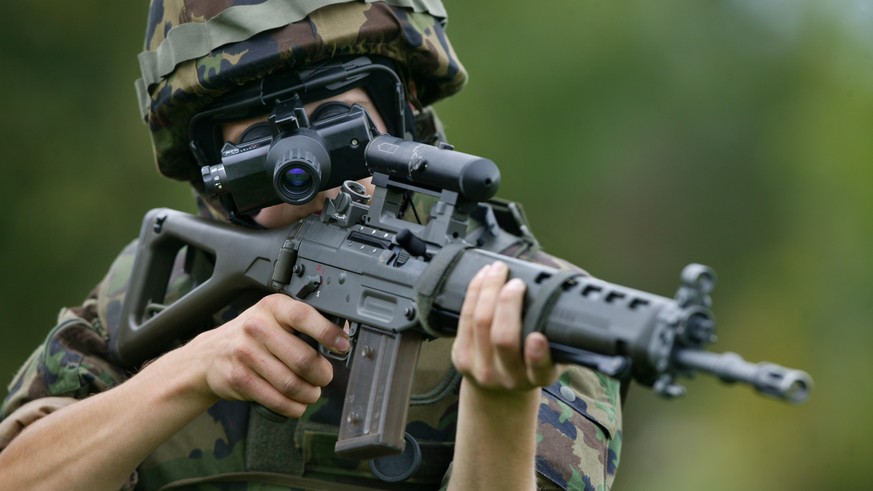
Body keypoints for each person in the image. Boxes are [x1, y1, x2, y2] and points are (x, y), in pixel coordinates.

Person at [0, 1, 623, 490]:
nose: (312, 172)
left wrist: (502, 400)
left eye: (340, 127)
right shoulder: (157, 291)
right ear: (212, 169)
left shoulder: (540, 305)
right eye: (264, 149)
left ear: (402, 119)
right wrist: (192, 371)